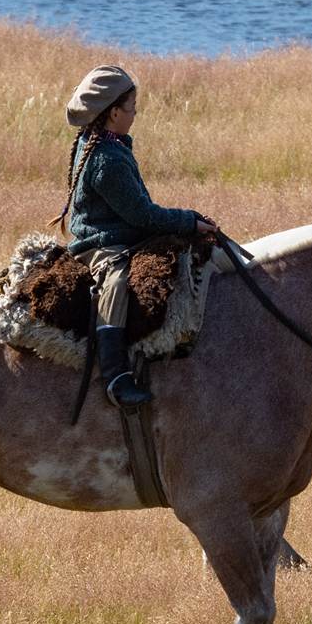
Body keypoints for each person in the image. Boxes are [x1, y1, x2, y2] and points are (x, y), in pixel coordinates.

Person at [60, 64, 217, 411]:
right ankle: (115, 376)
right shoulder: (107, 161)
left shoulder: (107, 143)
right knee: (116, 281)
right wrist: (189, 222)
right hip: (101, 244)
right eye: (132, 107)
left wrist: (188, 222)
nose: (135, 113)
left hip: (121, 233)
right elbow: (143, 217)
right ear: (114, 113)